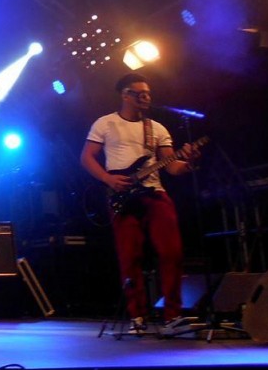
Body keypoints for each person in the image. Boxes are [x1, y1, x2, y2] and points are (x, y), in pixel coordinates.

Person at [79, 72, 200, 335]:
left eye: (148, 93)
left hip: (154, 193)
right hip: (122, 196)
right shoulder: (105, 123)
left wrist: (188, 162)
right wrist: (108, 179)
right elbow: (87, 157)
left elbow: (171, 166)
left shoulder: (157, 128)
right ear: (126, 95)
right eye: (140, 93)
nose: (146, 97)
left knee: (172, 252)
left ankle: (172, 317)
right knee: (130, 257)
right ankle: (138, 317)